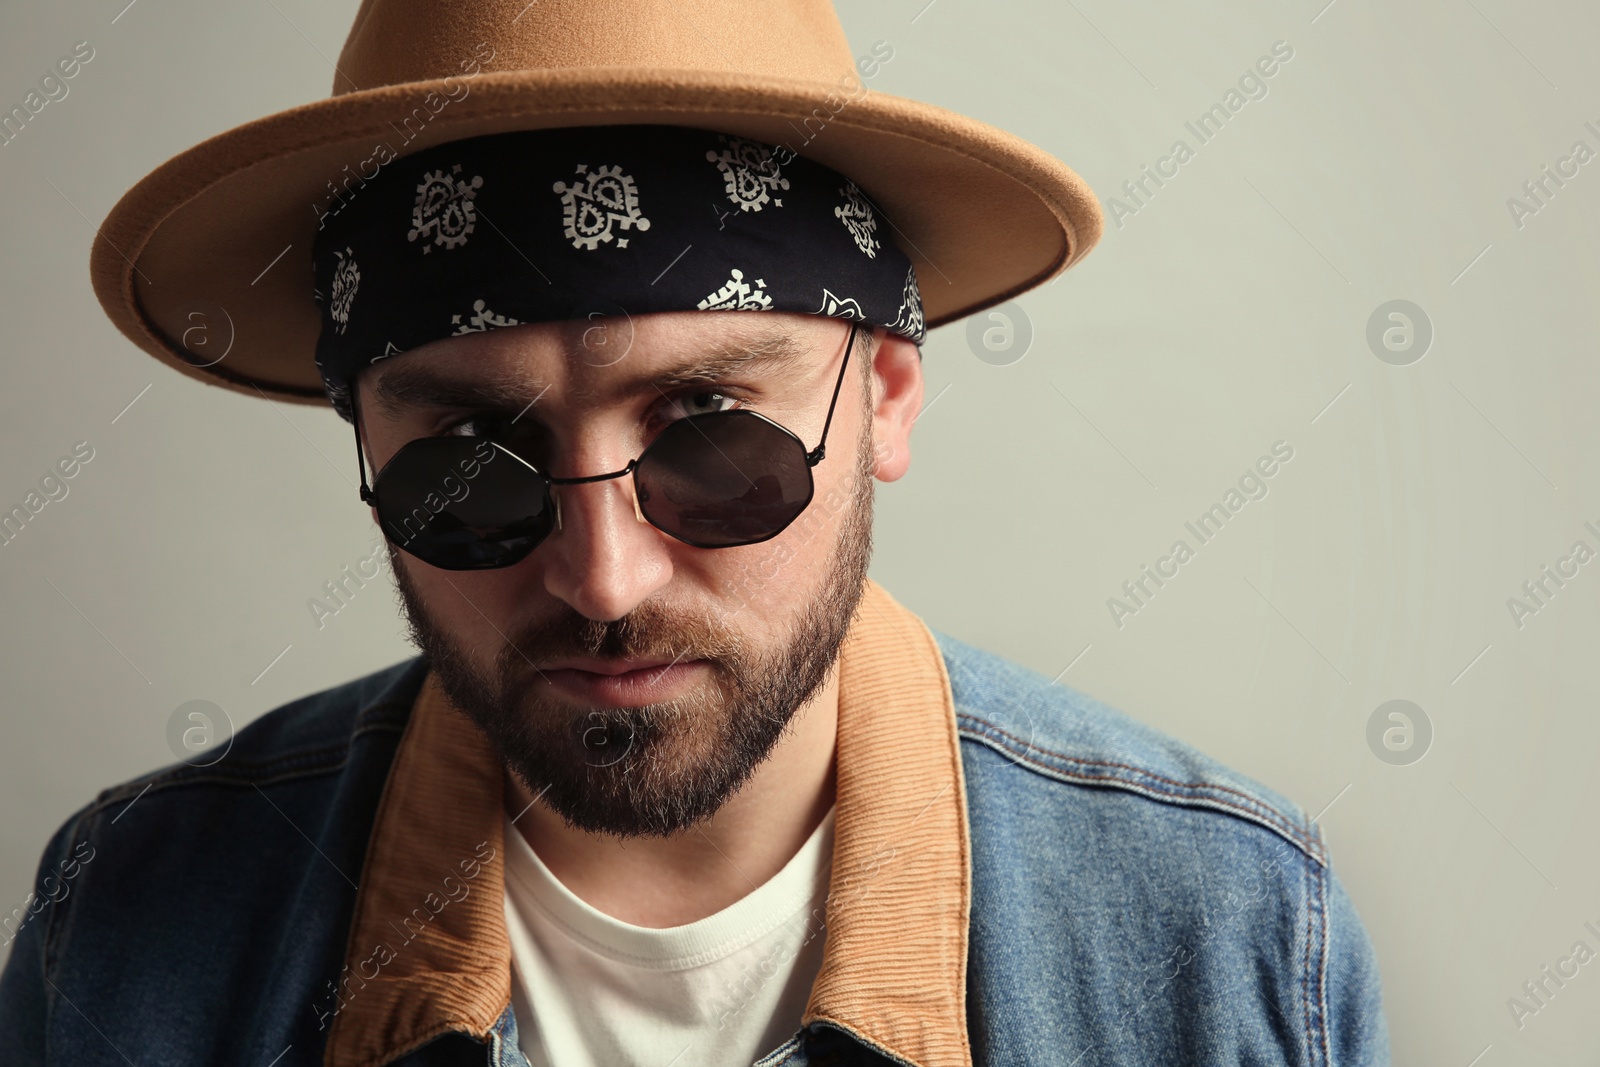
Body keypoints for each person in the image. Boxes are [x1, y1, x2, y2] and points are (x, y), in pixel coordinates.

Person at [0, 1, 1389, 1064]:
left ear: (887, 401)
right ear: (362, 437)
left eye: (712, 435)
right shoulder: (124, 931)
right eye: (468, 469)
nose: (603, 577)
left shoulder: (1230, 940)